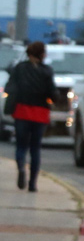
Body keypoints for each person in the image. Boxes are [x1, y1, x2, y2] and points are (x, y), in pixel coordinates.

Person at [3, 42, 59, 192]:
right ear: (41, 54)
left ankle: (21, 167)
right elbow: (52, 93)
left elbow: (10, 87)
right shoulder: (47, 71)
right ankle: (33, 183)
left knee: (21, 145)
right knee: (35, 148)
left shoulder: (19, 68)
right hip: (40, 113)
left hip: (22, 110)